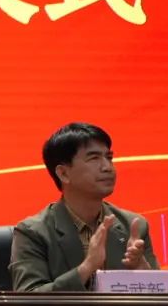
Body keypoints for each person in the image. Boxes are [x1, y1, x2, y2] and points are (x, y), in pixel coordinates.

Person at [10, 122, 159, 292]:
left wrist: (143, 269)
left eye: (109, 157)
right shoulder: (33, 232)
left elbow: (162, 299)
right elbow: (28, 298)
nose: (107, 167)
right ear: (64, 173)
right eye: (94, 158)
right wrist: (87, 267)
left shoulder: (133, 226)